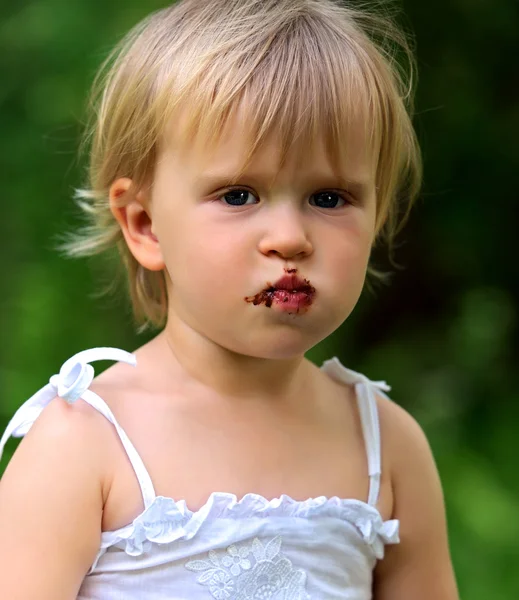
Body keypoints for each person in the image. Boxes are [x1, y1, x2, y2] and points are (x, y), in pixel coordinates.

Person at [0, 0, 459, 598]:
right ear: (144, 224)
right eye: (239, 195)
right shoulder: (86, 441)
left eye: (329, 198)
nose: (291, 237)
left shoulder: (384, 446)